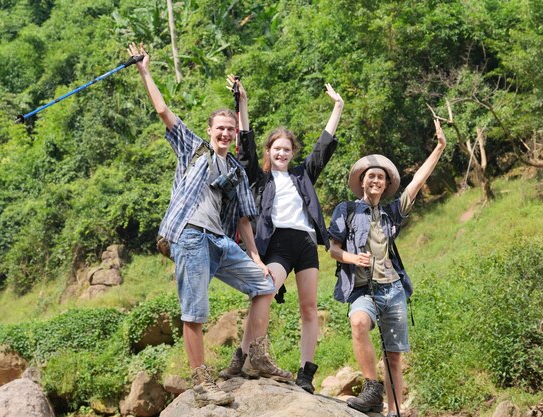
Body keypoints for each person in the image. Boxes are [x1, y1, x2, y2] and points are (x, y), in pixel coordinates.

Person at [128, 43, 293, 408]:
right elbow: (162, 110)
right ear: (209, 129)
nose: (225, 134)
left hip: (220, 241)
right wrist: (145, 71)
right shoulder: (193, 149)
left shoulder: (235, 169)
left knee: (263, 284)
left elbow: (245, 219)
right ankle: (201, 382)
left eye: (230, 130)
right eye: (220, 128)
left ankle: (257, 358)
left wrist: (256, 257)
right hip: (189, 235)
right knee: (195, 311)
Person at [219, 76, 344, 394]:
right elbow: (245, 142)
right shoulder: (259, 180)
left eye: (287, 150)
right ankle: (244, 357)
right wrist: (242, 103)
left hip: (304, 244)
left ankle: (306, 373)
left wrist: (338, 106)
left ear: (292, 153)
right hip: (275, 244)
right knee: (262, 292)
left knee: (309, 309)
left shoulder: (303, 175)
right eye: (277, 149)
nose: (282, 154)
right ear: (269, 152)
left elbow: (324, 146)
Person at [328, 119, 446, 415]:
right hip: (361, 288)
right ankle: (371, 388)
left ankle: (393, 411)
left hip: (392, 289)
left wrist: (440, 148)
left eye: (380, 178)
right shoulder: (348, 209)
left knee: (393, 357)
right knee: (358, 323)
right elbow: (333, 248)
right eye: (371, 177)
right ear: (362, 181)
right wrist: (352, 259)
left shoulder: (393, 213)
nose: (376, 181)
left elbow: (417, 183)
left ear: (386, 183)